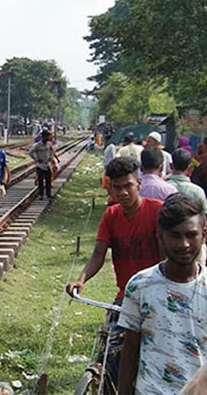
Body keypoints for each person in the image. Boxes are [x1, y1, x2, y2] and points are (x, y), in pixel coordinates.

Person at [66, 157, 164, 387]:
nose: (123, 193)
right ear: (110, 188)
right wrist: (81, 280)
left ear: (139, 183)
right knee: (110, 354)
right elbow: (99, 253)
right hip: (127, 296)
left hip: (157, 294)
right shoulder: (111, 216)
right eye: (117, 187)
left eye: (128, 186)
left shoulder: (157, 212)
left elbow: (165, 257)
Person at [117, 194, 207, 395]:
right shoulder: (140, 285)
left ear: (203, 235)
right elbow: (130, 352)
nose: (184, 244)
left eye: (191, 235)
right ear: (160, 235)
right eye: (174, 235)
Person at [29, 129, 55, 199]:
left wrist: (50, 157)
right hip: (40, 165)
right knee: (40, 181)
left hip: (47, 164)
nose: (48, 138)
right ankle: (41, 195)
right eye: (47, 136)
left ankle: (48, 194)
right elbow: (30, 152)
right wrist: (36, 159)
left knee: (48, 180)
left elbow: (52, 151)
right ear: (43, 136)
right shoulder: (37, 145)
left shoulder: (49, 144)